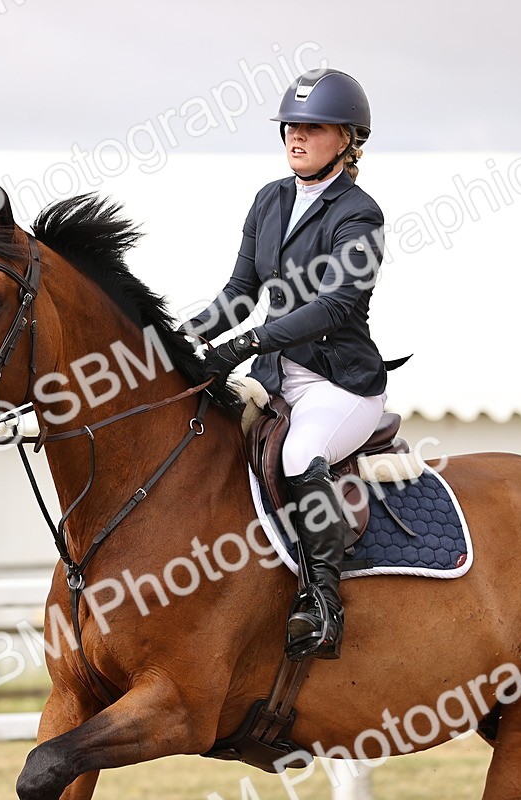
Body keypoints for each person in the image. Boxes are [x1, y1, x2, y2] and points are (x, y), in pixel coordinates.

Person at [186, 68, 397, 661]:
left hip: (340, 384)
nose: (296, 137)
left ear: (348, 139)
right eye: (291, 127)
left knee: (301, 454)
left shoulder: (359, 214)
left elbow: (336, 305)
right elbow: (239, 291)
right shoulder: (270, 199)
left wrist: (248, 343)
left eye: (313, 127)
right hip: (277, 378)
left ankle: (323, 604)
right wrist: (184, 338)